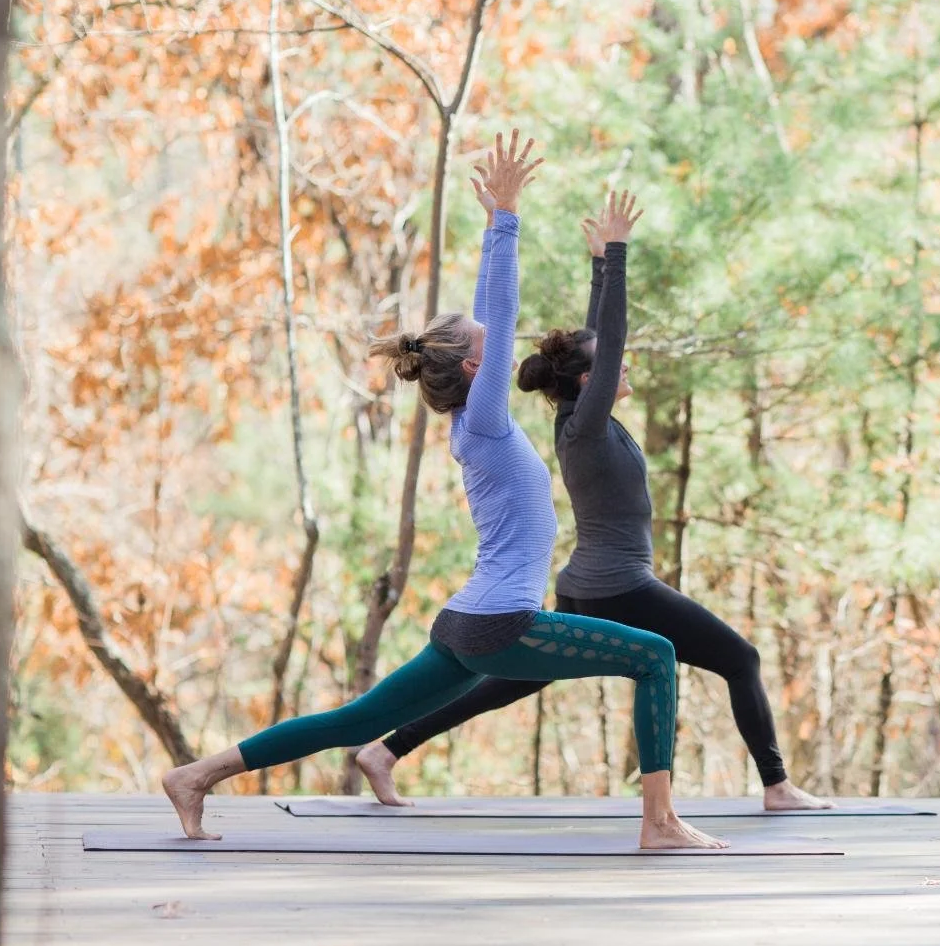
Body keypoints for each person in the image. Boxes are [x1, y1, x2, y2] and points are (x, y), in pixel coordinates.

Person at [160, 132, 726, 850]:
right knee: (655, 654)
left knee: (356, 721)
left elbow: (519, 319)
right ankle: (660, 822)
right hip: (499, 622)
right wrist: (506, 219)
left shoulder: (478, 423)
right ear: (469, 368)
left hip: (469, 621)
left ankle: (196, 775)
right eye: (479, 332)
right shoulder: (483, 416)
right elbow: (503, 302)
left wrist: (527, 235)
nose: (491, 328)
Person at [353, 190, 833, 812]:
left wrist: (601, 264)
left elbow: (593, 340)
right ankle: (778, 787)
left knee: (507, 683)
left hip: (592, 582)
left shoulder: (579, 415)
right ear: (590, 382)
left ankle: (386, 750)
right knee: (741, 658)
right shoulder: (586, 423)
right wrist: (621, 257)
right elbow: (607, 339)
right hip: (616, 586)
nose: (623, 365)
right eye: (612, 366)